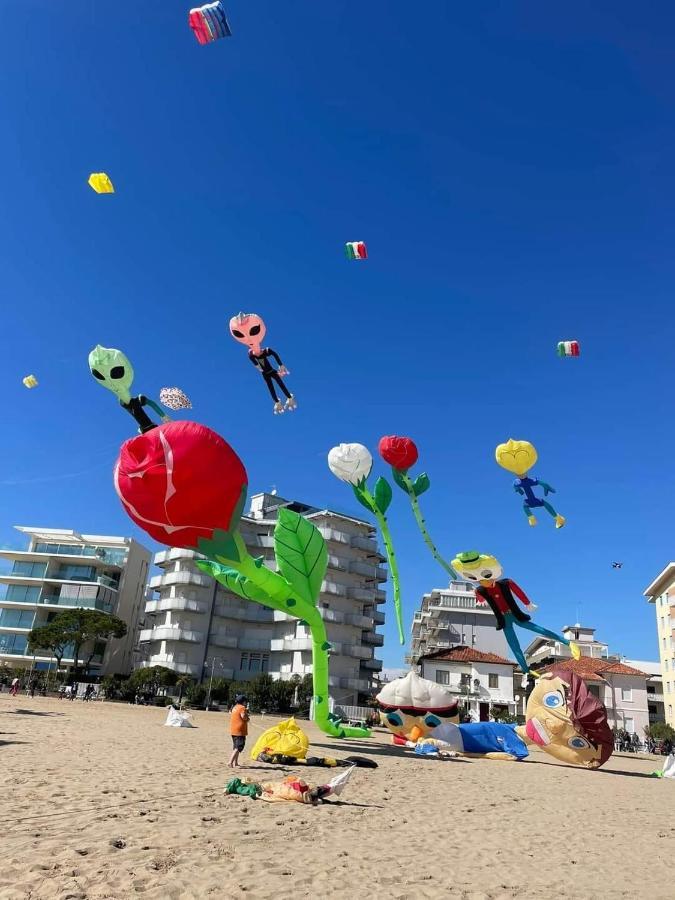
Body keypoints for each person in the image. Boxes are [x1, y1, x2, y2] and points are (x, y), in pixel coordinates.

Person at [228, 694, 250, 768]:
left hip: (233, 730)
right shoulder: (242, 708)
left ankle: (236, 762)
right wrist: (247, 718)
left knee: (235, 747)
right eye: (245, 701)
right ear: (243, 702)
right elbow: (243, 716)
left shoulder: (235, 707)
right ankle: (230, 762)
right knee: (238, 747)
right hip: (240, 731)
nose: (246, 703)